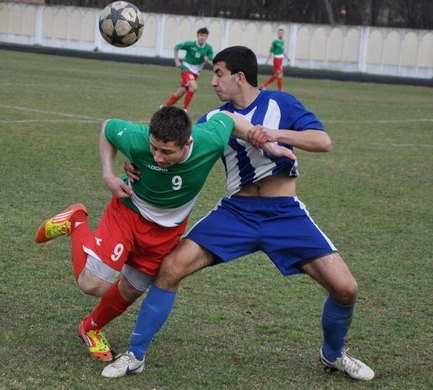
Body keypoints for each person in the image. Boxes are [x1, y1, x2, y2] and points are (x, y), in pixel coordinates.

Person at [102, 46, 375, 381]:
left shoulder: (281, 104)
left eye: (218, 73)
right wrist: (138, 163)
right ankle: (135, 355)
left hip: (285, 213)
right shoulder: (214, 121)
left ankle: (333, 356)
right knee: (170, 268)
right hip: (237, 212)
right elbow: (174, 152)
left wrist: (276, 134)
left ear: (239, 76)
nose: (213, 81)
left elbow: (323, 141)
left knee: (346, 288)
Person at [34, 106, 293, 362]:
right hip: (128, 211)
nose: (157, 157)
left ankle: (90, 328)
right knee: (92, 284)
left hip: (166, 232)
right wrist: (108, 174)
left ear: (187, 143)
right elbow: (108, 126)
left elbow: (229, 118)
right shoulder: (138, 139)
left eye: (166, 152)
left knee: (132, 288)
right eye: (153, 148)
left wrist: (267, 145)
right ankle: (77, 221)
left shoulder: (208, 140)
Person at [161, 27, 214, 111]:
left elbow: (212, 63)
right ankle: (184, 109)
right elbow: (176, 47)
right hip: (186, 68)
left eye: (204, 36)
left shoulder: (208, 48)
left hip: (196, 73)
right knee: (194, 86)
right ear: (197, 35)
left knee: (181, 91)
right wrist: (177, 61)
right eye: (201, 35)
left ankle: (163, 107)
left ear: (207, 37)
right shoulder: (190, 44)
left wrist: (207, 60)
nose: (202, 37)